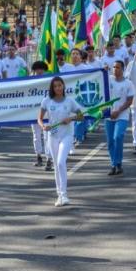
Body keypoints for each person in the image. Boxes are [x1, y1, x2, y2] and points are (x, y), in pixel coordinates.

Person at [38, 77, 83, 207]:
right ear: (52, 88)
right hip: (53, 135)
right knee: (56, 166)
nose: (58, 88)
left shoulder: (70, 101)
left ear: (63, 86)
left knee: (60, 162)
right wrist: (43, 126)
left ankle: (64, 194)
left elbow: (81, 116)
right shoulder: (47, 101)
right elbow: (39, 118)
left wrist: (71, 118)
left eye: (60, 85)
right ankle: (59, 195)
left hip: (67, 135)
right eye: (55, 86)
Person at [105, 60, 135, 176]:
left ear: (122, 69)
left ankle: (118, 163)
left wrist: (118, 111)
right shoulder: (108, 80)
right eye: (113, 67)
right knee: (110, 142)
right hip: (109, 115)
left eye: (117, 67)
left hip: (122, 115)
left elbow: (130, 100)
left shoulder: (128, 83)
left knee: (118, 136)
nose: (115, 69)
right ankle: (114, 164)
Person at [30, 61, 53, 170]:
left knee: (47, 136)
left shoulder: (49, 80)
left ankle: (49, 159)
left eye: (41, 69)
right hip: (32, 112)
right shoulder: (29, 81)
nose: (39, 71)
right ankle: (38, 156)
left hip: (47, 112)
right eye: (37, 69)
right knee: (36, 135)